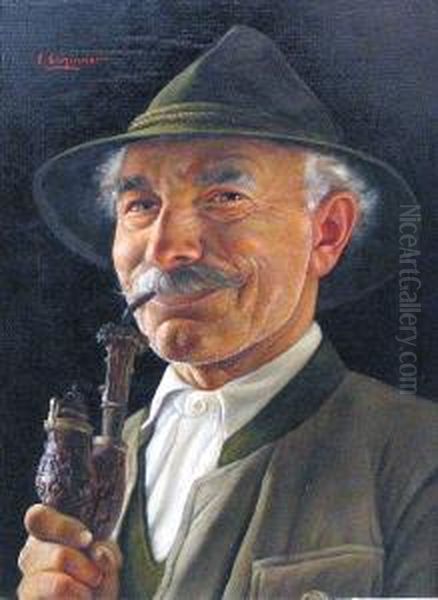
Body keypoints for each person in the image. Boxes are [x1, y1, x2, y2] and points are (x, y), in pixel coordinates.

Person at [18, 26, 437, 599]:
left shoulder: (416, 455)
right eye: (141, 205)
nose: (168, 248)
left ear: (327, 231)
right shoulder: (103, 462)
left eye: (226, 198)